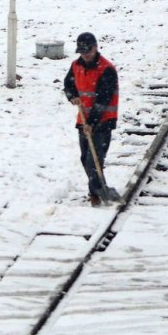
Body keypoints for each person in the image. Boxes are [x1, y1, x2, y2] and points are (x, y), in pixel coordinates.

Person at [62, 32, 118, 206]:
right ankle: (97, 189)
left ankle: (96, 192)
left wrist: (92, 124)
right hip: (84, 120)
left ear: (95, 47)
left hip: (103, 121)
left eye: (88, 51)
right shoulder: (76, 65)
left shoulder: (106, 69)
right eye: (82, 51)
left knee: (94, 160)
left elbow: (103, 100)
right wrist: (72, 96)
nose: (85, 55)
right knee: (85, 157)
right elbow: (68, 84)